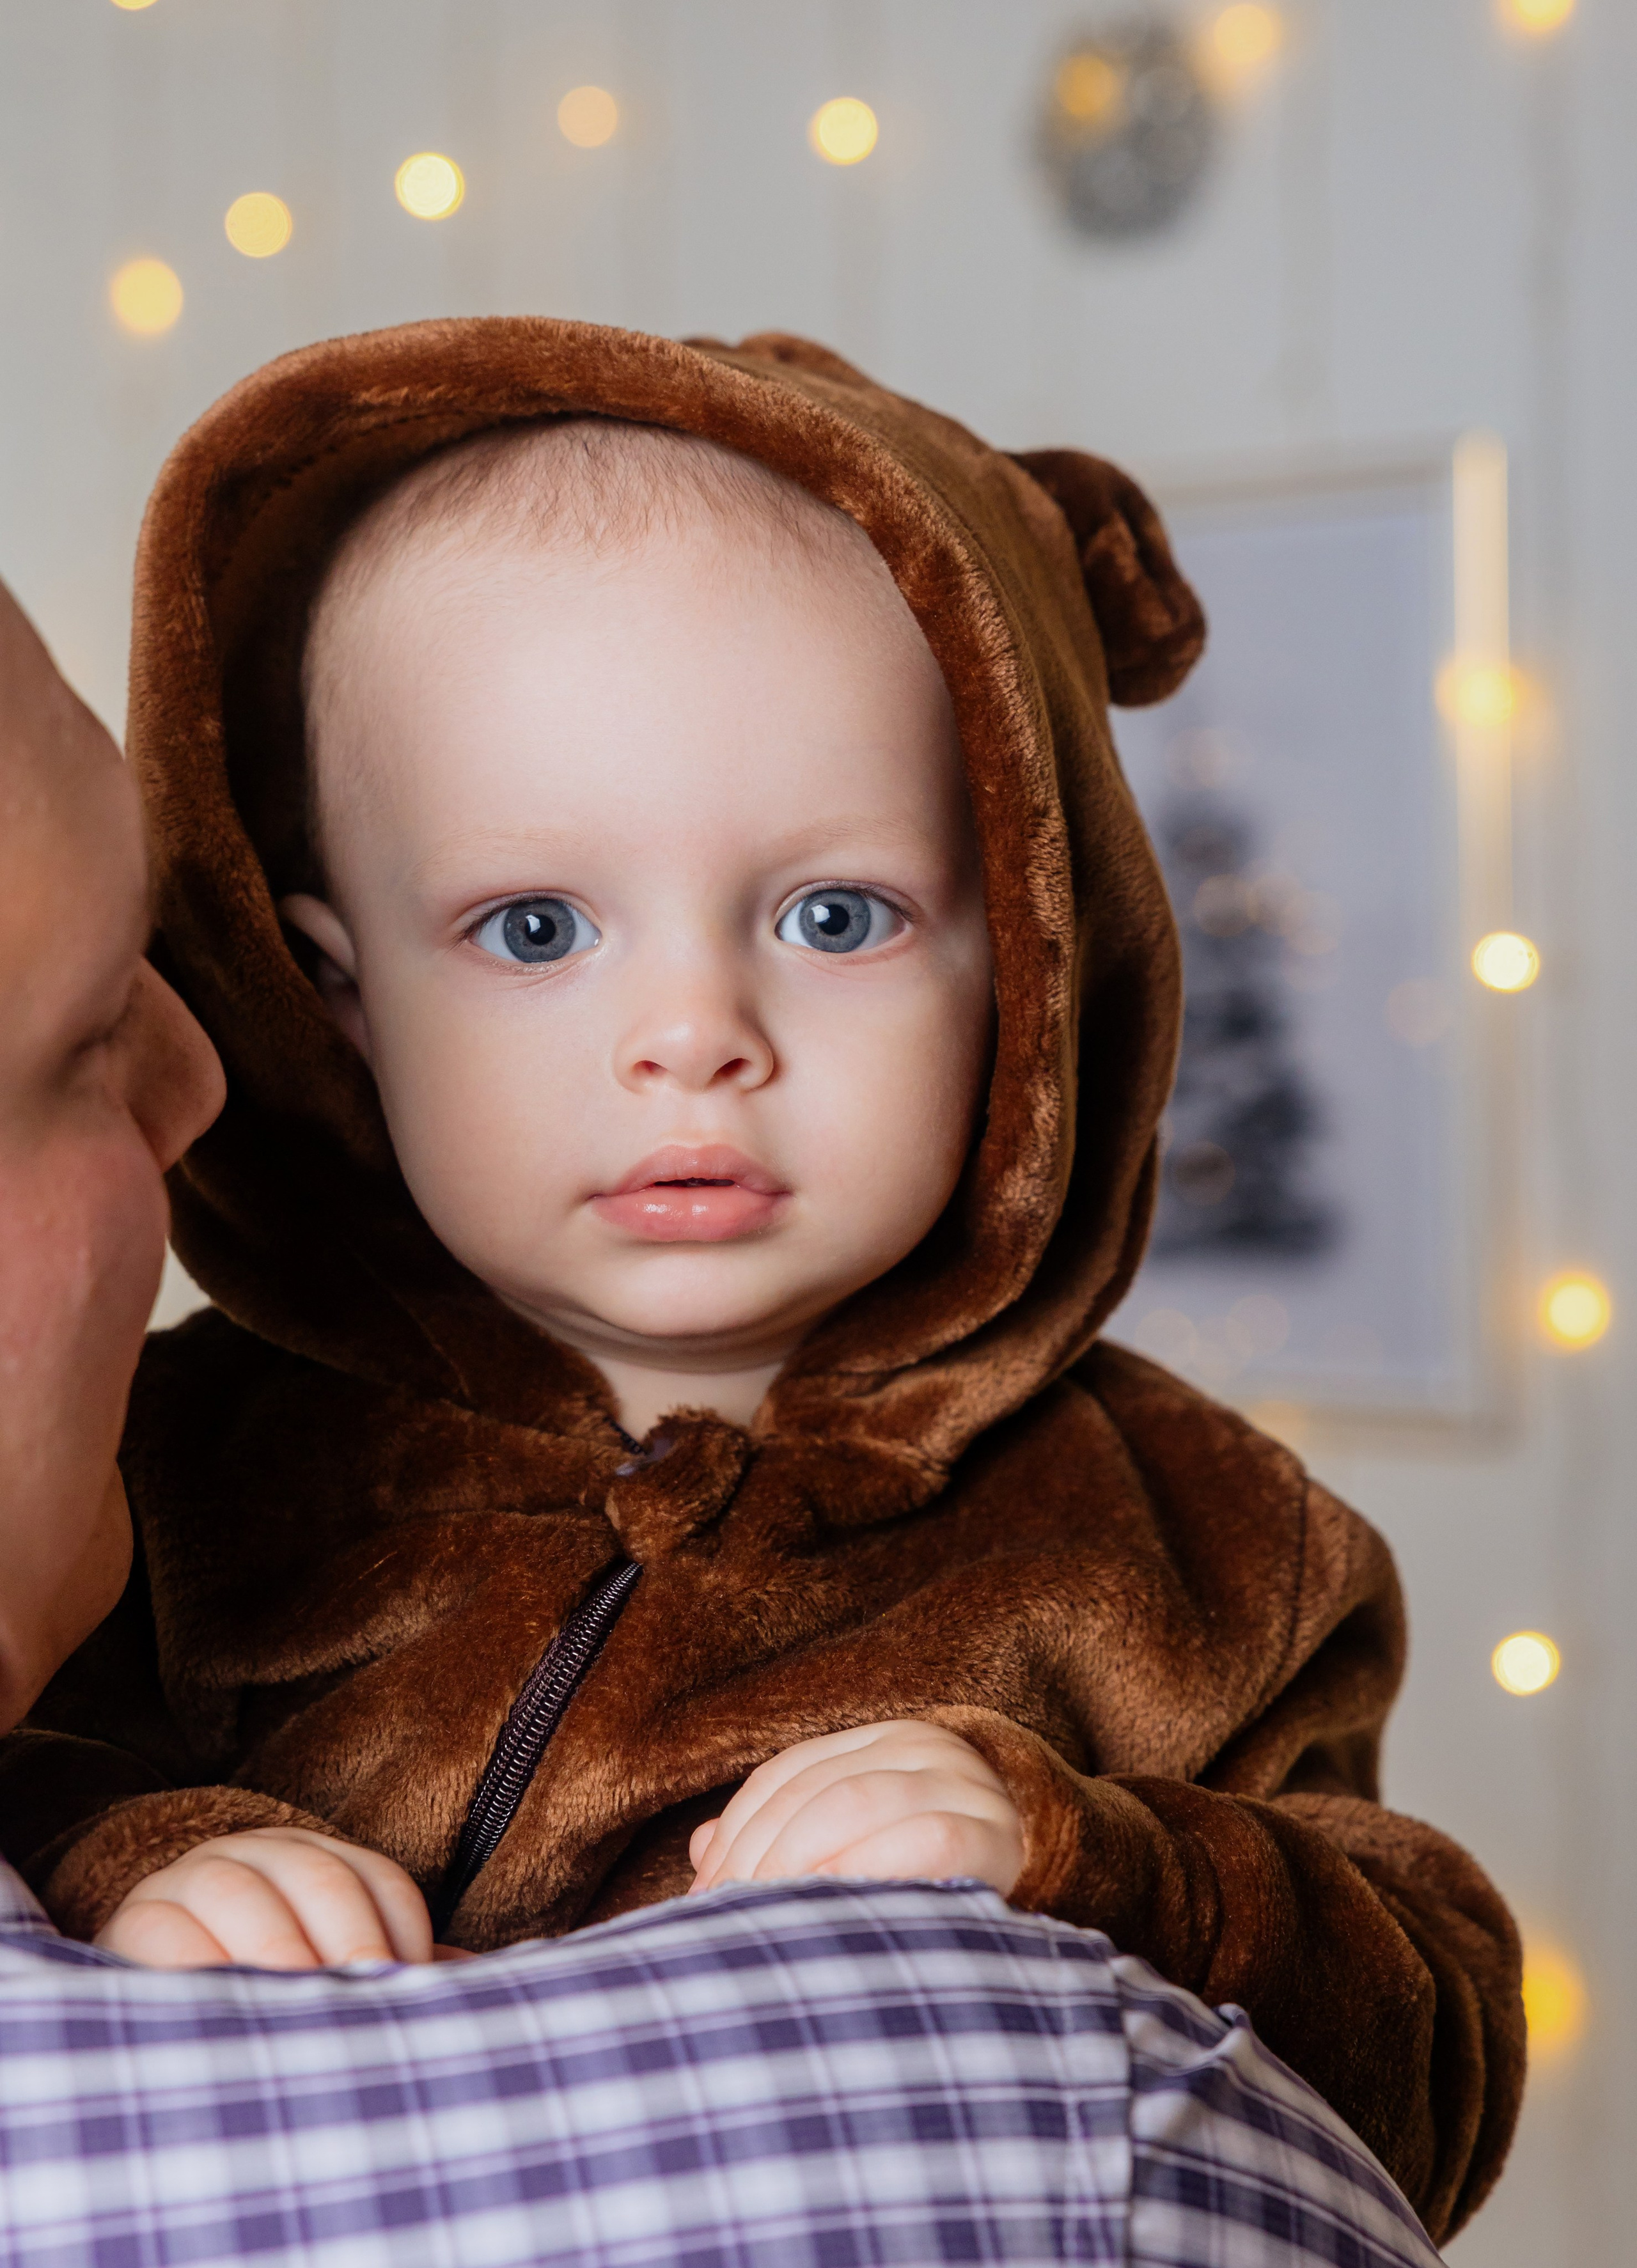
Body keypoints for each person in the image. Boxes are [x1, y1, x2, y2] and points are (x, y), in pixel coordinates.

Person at [1, 324, 1521, 2246]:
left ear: (1025, 968)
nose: (696, 1033)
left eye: (835, 913)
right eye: (536, 927)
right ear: (340, 992)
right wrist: (145, 1851)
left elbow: (1433, 2049)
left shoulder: (1207, 1548)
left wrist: (1095, 1855)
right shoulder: (160, 1467)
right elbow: (19, 1797)